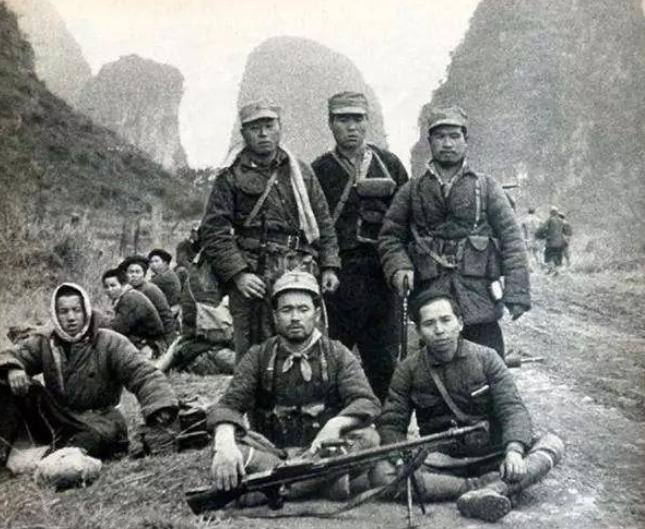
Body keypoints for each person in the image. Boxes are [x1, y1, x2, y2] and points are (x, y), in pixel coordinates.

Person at [370, 292, 564, 522]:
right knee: (382, 473)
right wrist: (399, 457)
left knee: (552, 443)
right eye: (429, 324)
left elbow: (512, 408)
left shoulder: (487, 358)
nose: (439, 330)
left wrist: (514, 450)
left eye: (446, 320)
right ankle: (487, 488)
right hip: (442, 460)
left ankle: (491, 488)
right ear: (419, 331)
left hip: (492, 453)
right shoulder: (408, 369)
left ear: (460, 323)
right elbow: (392, 422)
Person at [208, 270, 381, 502]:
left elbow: (366, 401)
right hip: (273, 453)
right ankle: (325, 483)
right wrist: (225, 444)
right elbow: (229, 405)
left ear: (316, 314)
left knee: (368, 438)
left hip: (324, 451)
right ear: (275, 316)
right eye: (287, 310)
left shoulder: (337, 353)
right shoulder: (259, 356)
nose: (295, 317)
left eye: (303, 309)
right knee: (225, 446)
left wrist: (335, 425)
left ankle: (273, 488)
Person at [378, 106, 530, 357]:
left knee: (488, 364)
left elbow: (512, 238)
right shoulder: (412, 190)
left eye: (454, 136)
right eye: (440, 137)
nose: (447, 143)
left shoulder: (487, 187)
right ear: (430, 141)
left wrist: (517, 293)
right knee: (430, 368)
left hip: (478, 300)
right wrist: (399, 266)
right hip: (430, 299)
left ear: (465, 140)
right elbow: (390, 236)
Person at [200, 100, 341, 360]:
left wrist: (330, 266)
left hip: (299, 268)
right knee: (253, 353)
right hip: (253, 271)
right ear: (244, 133)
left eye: (269, 125)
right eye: (255, 128)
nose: (263, 133)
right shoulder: (230, 175)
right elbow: (214, 230)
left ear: (279, 127)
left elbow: (323, 222)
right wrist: (239, 274)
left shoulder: (301, 171)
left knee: (306, 342)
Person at [0, 283, 178, 468]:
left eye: (76, 310)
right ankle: (4, 450)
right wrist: (13, 368)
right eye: (64, 311)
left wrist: (160, 407)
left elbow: (142, 373)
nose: (71, 318)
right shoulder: (46, 342)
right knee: (6, 385)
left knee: (88, 441)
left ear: (86, 311)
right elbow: (11, 355)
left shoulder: (109, 341)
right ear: (55, 315)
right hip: (58, 417)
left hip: (99, 420)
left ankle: (45, 459)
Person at [311, 92, 408, 402]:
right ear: (330, 123)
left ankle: (388, 420)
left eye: (358, 119)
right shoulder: (318, 170)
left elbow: (407, 219)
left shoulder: (389, 164)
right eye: (343, 120)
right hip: (338, 275)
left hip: (382, 274)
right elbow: (311, 227)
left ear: (367, 122)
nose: (351, 127)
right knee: (336, 354)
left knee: (384, 358)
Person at [102, 268, 166, 357]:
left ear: (123, 285)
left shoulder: (130, 299)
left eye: (113, 285)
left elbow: (118, 329)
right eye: (106, 287)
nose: (109, 290)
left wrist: (99, 322)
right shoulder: (125, 296)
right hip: (142, 341)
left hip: (151, 346)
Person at [120, 255, 178, 350]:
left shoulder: (151, 290)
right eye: (131, 272)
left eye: (137, 272)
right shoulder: (126, 291)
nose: (134, 275)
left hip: (152, 339)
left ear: (144, 274)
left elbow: (166, 317)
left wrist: (169, 344)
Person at [536, 206, 565, 274]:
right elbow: (564, 231)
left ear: (551, 212)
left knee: (548, 255)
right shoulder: (561, 221)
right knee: (558, 256)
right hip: (560, 242)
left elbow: (542, 228)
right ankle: (557, 271)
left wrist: (540, 234)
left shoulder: (550, 220)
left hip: (551, 242)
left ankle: (551, 269)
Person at [521, 207, 542, 272]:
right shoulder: (538, 220)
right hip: (536, 239)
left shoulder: (525, 220)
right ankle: (539, 267)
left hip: (528, 238)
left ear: (528, 212)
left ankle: (531, 267)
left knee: (529, 254)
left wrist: (524, 239)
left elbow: (523, 230)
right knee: (537, 253)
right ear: (534, 212)